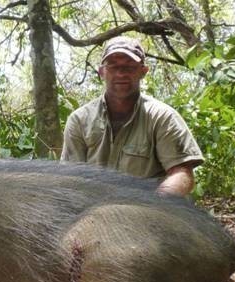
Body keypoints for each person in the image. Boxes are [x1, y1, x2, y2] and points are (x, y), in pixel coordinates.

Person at [61, 37, 203, 196]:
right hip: (94, 212)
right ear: (102, 72)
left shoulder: (162, 117)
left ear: (143, 71)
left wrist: (155, 204)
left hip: (148, 210)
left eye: (129, 67)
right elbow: (71, 177)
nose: (121, 73)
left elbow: (182, 173)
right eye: (113, 66)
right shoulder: (79, 120)